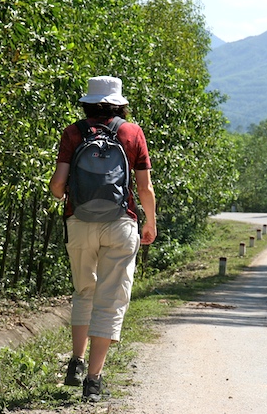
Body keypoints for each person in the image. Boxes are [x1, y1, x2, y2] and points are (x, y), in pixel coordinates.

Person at [49, 76, 157, 402]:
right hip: (120, 223)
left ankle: (76, 361)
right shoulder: (131, 132)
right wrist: (150, 222)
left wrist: (71, 194)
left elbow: (56, 186)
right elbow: (144, 189)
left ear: (87, 102)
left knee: (84, 291)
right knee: (110, 300)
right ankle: (93, 382)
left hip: (79, 222)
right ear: (119, 102)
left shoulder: (73, 132)